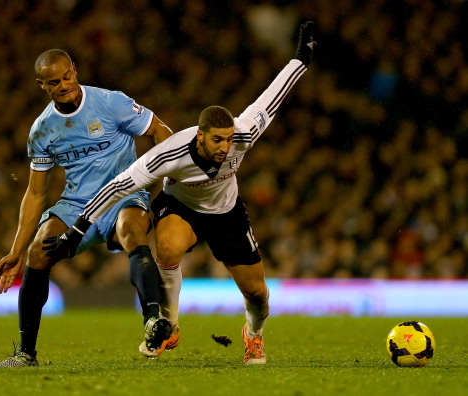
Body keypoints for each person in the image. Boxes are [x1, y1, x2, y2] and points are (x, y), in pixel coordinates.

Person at [42, 21, 317, 364]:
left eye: (229, 139)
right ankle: (169, 324)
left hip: (226, 212)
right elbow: (117, 186)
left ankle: (254, 334)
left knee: (257, 293)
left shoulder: (243, 134)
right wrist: (78, 230)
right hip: (180, 206)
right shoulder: (171, 153)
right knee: (168, 246)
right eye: (218, 139)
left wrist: (300, 59)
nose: (225, 147)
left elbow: (272, 97)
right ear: (200, 136)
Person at [0, 49, 174, 367]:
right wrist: (17, 252)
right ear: (41, 85)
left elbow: (160, 132)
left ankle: (153, 320)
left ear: (74, 70)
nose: (63, 85)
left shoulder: (110, 102)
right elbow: (36, 194)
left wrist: (174, 178)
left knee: (132, 231)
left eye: (67, 76)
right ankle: (25, 352)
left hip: (124, 198)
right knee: (39, 251)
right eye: (53, 82)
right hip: (77, 205)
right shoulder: (43, 130)